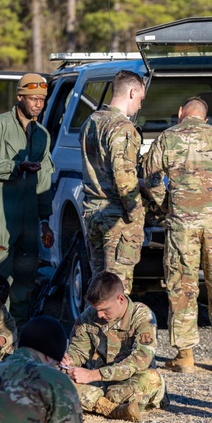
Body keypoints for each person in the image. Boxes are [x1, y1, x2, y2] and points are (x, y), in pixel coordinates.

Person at [141, 95, 212, 375]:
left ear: (180, 112)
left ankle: (185, 356)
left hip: (181, 225)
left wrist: (168, 203)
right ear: (205, 115)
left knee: (182, 285)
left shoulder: (167, 138)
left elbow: (151, 177)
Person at [0, 73, 55, 325]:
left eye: (42, 100)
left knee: (25, 278)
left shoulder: (42, 134)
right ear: (19, 98)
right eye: (33, 99)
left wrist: (45, 221)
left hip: (29, 219)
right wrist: (16, 167)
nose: (38, 104)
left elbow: (44, 180)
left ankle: (14, 334)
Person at [61, 272, 165, 422]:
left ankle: (95, 400)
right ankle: (112, 409)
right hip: (100, 383)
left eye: (105, 310)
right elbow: (78, 351)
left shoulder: (142, 316)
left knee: (152, 379)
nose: (100, 315)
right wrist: (68, 361)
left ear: (120, 299)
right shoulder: (88, 317)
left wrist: (92, 375)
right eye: (96, 310)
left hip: (129, 381)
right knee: (56, 378)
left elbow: (140, 361)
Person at [79, 70, 146, 293]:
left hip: (92, 210)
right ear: (132, 92)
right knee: (117, 290)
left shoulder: (91, 121)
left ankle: (93, 327)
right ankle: (113, 328)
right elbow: (124, 179)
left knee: (99, 288)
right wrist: (137, 215)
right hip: (116, 216)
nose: (139, 105)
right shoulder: (123, 128)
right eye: (140, 99)